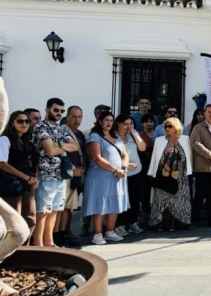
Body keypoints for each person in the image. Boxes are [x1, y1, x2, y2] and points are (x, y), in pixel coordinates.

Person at [32, 98, 79, 247]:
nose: (59, 113)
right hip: (46, 175)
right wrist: (61, 146)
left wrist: (58, 145)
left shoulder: (60, 128)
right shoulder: (40, 127)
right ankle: (39, 245)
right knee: (42, 212)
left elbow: (75, 146)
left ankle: (49, 242)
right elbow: (50, 150)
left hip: (61, 176)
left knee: (55, 211)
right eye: (56, 110)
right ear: (47, 109)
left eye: (61, 111)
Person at [83, 110, 129, 245]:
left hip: (116, 177)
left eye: (111, 120)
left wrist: (123, 168)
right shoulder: (94, 137)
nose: (109, 123)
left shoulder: (117, 137)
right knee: (100, 204)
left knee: (114, 203)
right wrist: (115, 169)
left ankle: (110, 231)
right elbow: (97, 158)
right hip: (99, 177)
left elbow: (124, 155)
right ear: (100, 122)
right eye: (106, 120)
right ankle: (97, 234)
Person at [148, 117, 193, 231]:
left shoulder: (185, 139)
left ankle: (176, 223)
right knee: (161, 200)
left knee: (179, 200)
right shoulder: (159, 140)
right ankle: (160, 223)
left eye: (170, 126)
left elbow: (187, 158)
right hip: (164, 175)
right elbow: (155, 158)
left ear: (177, 127)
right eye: (165, 126)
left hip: (181, 176)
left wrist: (177, 153)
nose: (167, 128)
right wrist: (164, 161)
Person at [0, 110, 38, 241]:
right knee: (14, 222)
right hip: (11, 186)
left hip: (28, 185)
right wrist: (26, 177)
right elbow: (2, 164)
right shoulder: (5, 139)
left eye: (27, 121)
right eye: (20, 121)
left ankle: (25, 251)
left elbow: (33, 163)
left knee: (30, 218)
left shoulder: (28, 142)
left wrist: (34, 178)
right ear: (12, 123)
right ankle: (11, 255)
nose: (24, 124)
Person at [55, 105, 86, 248]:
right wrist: (73, 169)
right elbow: (61, 153)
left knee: (69, 207)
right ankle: (57, 235)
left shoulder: (79, 134)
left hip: (78, 174)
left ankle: (65, 231)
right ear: (67, 116)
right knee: (60, 207)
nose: (77, 120)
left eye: (79, 117)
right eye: (74, 116)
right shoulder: (62, 131)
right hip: (65, 173)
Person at [115, 113, 146, 235]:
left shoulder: (133, 134)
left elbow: (142, 148)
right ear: (118, 123)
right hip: (121, 171)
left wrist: (134, 133)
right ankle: (119, 224)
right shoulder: (113, 136)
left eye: (131, 124)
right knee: (121, 198)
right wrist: (126, 165)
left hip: (136, 171)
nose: (128, 126)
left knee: (134, 198)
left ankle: (132, 221)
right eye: (126, 124)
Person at [138, 113, 156, 219]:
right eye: (146, 122)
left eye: (151, 121)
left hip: (156, 164)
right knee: (145, 188)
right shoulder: (140, 135)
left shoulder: (157, 133)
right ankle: (145, 209)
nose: (149, 124)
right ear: (143, 124)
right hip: (144, 164)